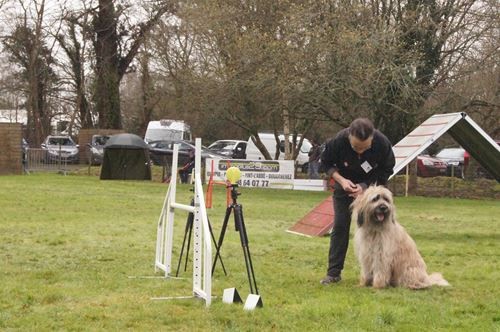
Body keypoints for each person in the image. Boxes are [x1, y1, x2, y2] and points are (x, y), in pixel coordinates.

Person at [319, 118, 395, 284]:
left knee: (382, 230)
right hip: (344, 186)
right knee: (340, 225)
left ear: (372, 139)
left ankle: (385, 273)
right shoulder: (338, 141)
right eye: (355, 148)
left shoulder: (382, 143)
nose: (360, 153)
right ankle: (333, 273)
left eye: (365, 148)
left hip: (373, 188)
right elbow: (325, 163)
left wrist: (365, 187)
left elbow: (387, 169)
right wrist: (341, 180)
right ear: (349, 136)